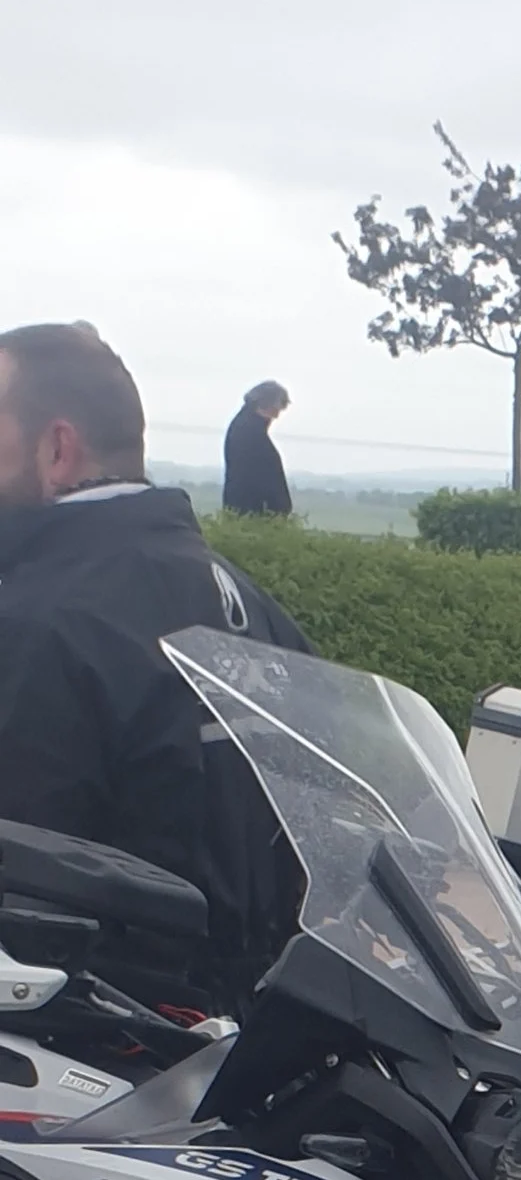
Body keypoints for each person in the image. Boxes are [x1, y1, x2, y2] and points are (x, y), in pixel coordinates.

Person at [0, 321, 307, 993]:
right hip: (251, 1042)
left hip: (88, 1044)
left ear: (57, 449)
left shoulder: (35, 624)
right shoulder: (250, 605)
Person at [220, 380, 292, 518]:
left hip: (245, 510)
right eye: (275, 409)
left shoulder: (244, 427)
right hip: (252, 512)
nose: (276, 416)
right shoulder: (249, 432)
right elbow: (261, 475)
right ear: (265, 404)